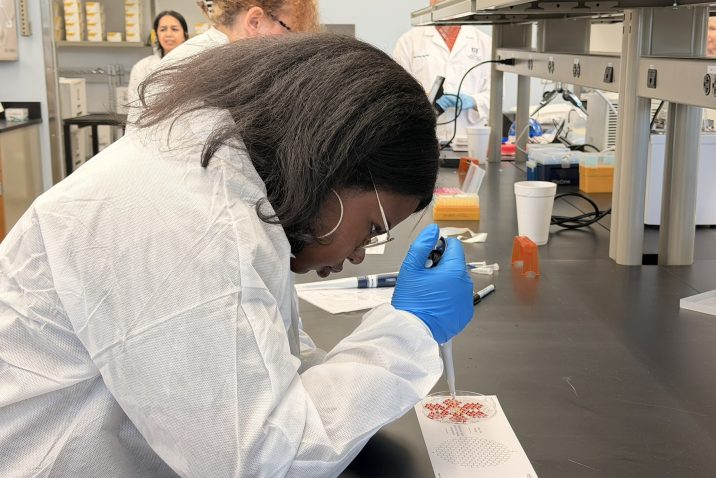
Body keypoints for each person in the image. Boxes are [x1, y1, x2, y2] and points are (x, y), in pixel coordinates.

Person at [0, 34, 474, 476]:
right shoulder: (187, 221)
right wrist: (410, 332)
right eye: (372, 228)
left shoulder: (224, 177)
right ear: (330, 162)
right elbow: (258, 458)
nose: (358, 256)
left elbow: (260, 363)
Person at [125, 0, 318, 134]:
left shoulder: (211, 51)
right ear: (254, 21)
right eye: (291, 32)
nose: (291, 44)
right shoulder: (209, 68)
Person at [393, 0, 491, 145]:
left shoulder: (485, 43)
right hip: (421, 139)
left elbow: (496, 96)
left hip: (470, 140)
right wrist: (425, 99)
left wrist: (473, 101)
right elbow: (395, 94)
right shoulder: (409, 42)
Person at [127, 11, 189, 108]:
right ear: (156, 34)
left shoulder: (195, 64)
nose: (168, 34)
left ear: (185, 35)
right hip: (151, 122)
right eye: (163, 29)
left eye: (175, 29)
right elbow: (134, 105)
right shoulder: (141, 67)